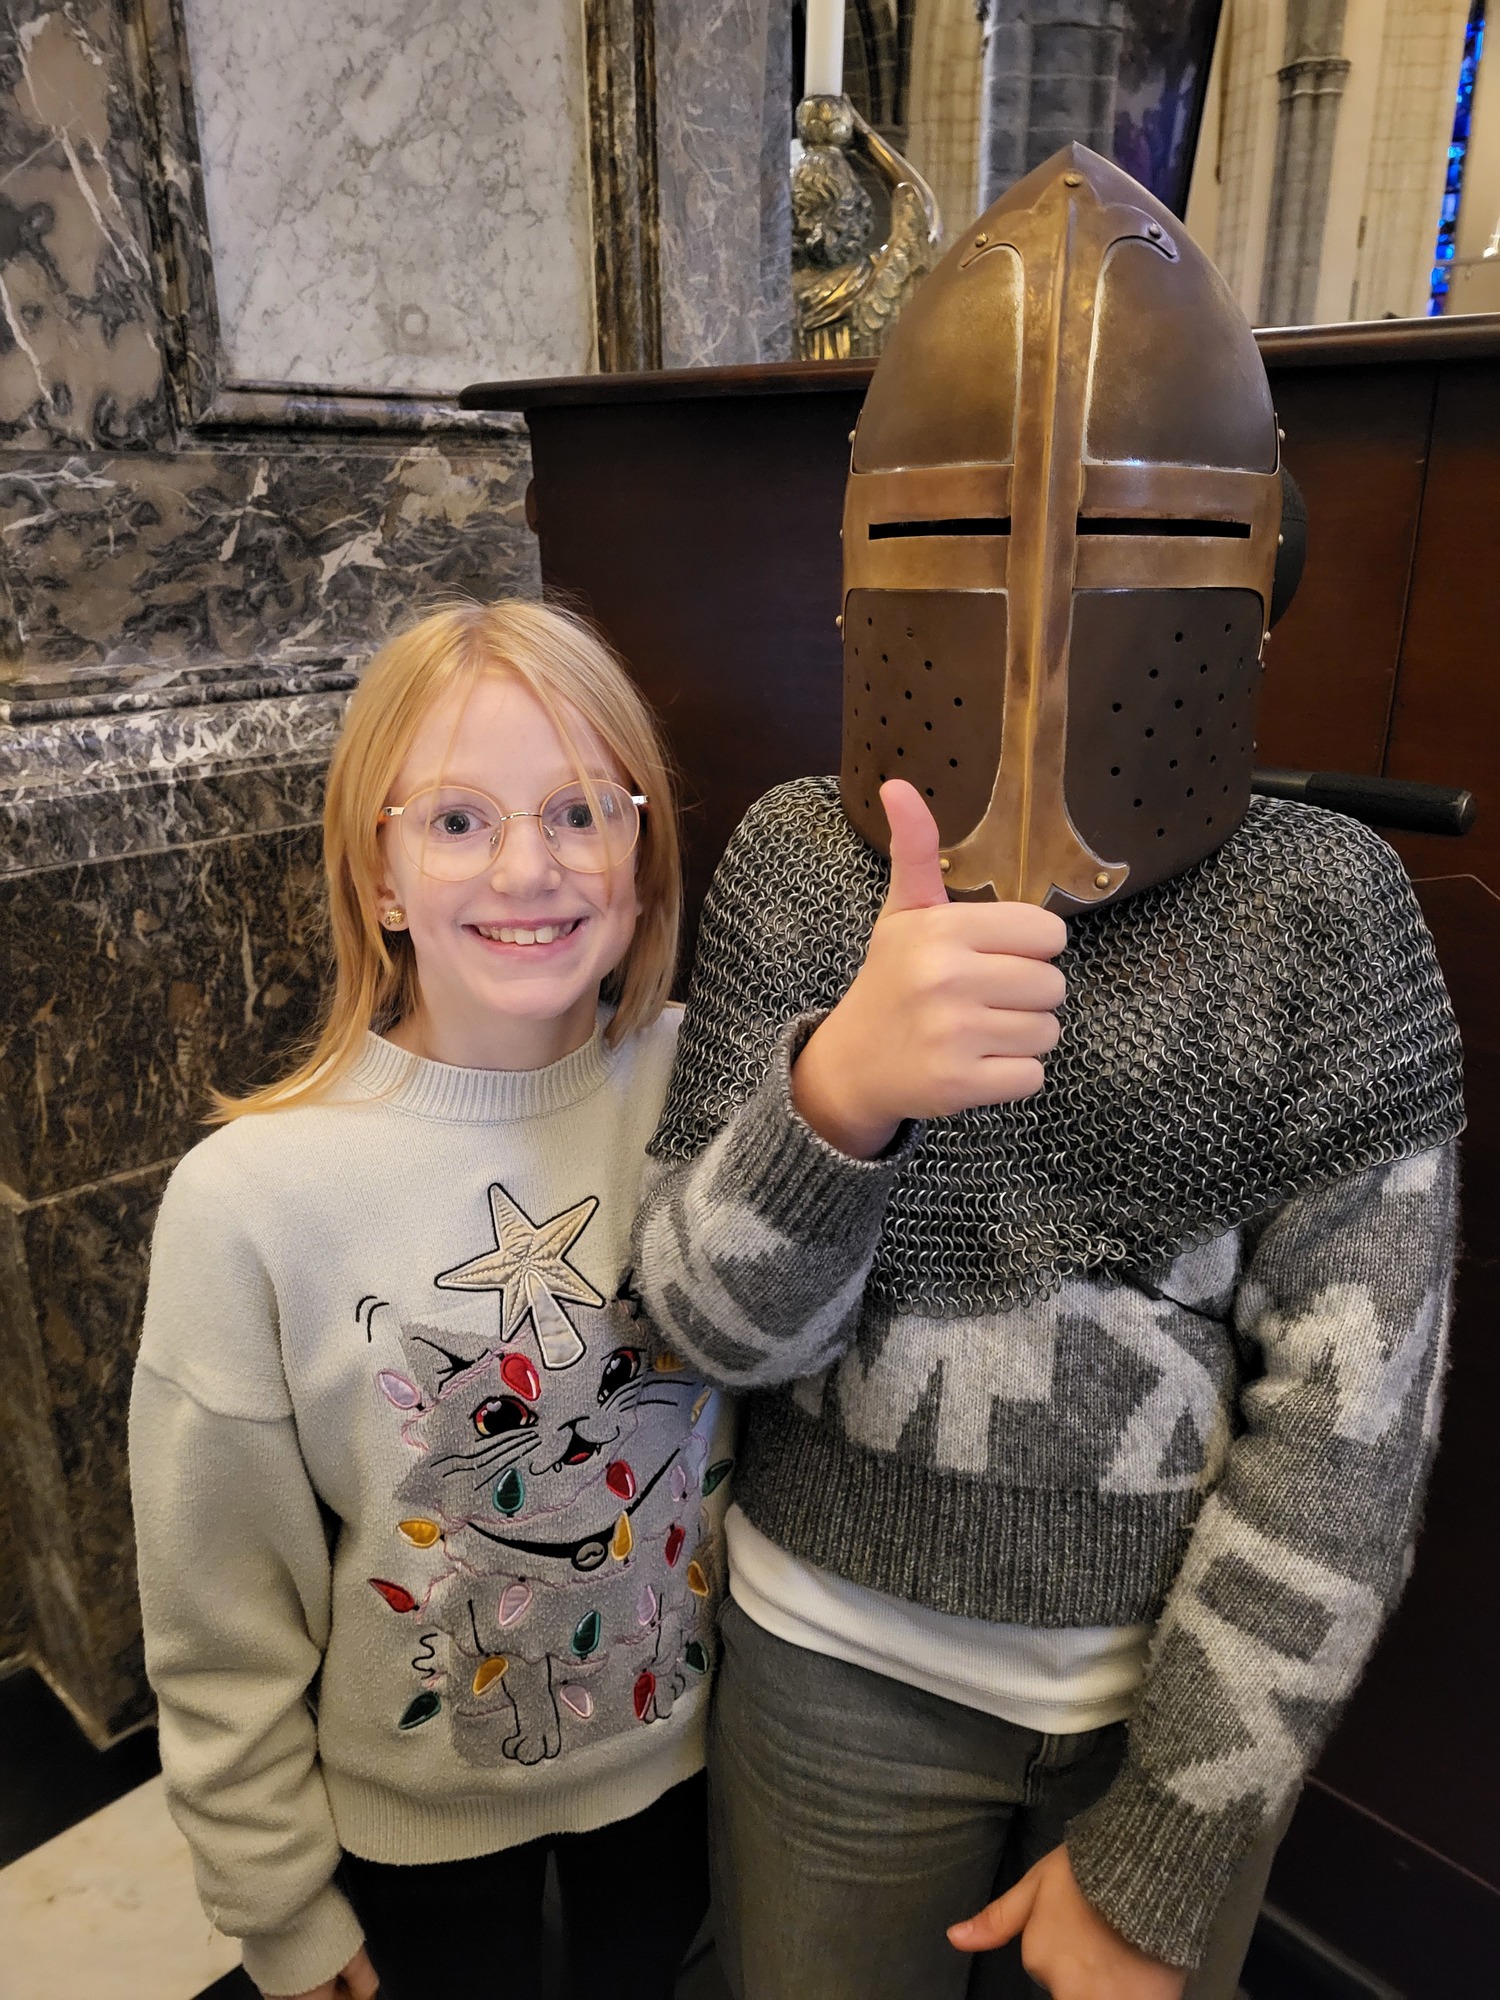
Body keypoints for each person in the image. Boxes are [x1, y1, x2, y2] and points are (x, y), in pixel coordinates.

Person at [633, 147, 1463, 2000]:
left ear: (1254, 565)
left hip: (1164, 1711)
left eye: (1132, 536)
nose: (1041, 605)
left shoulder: (1322, 915)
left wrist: (1171, 1851)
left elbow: (1348, 1446)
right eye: (964, 530)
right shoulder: (795, 866)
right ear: (866, 560)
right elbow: (699, 1333)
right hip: (828, 1678)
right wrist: (839, 1096)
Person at [129, 601, 729, 2000]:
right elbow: (220, 1609)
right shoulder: (251, 1199)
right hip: (416, 1844)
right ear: (381, 875)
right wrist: (275, 1896)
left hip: (689, 1782)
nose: (528, 867)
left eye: (580, 810)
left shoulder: (716, 1090)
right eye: (458, 820)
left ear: (641, 853)